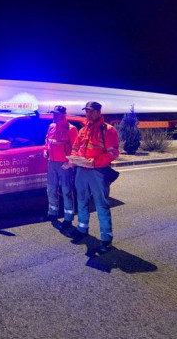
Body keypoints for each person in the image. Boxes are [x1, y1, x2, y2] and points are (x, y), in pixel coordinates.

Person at [65, 101, 120, 253]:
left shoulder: (109, 130)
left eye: (90, 111)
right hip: (81, 171)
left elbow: (113, 153)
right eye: (86, 111)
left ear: (98, 112)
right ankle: (82, 230)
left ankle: (106, 239)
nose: (87, 114)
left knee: (101, 204)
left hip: (98, 172)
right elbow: (76, 148)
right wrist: (74, 159)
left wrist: (94, 162)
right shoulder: (83, 130)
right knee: (81, 200)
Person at [42, 105, 78, 230]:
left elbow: (76, 148)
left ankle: (68, 218)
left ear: (63, 115)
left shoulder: (71, 129)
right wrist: (46, 150)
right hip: (52, 163)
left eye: (57, 114)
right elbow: (47, 141)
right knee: (51, 189)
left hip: (64, 165)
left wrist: (70, 163)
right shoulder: (51, 126)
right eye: (54, 113)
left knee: (66, 192)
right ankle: (52, 213)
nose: (54, 116)